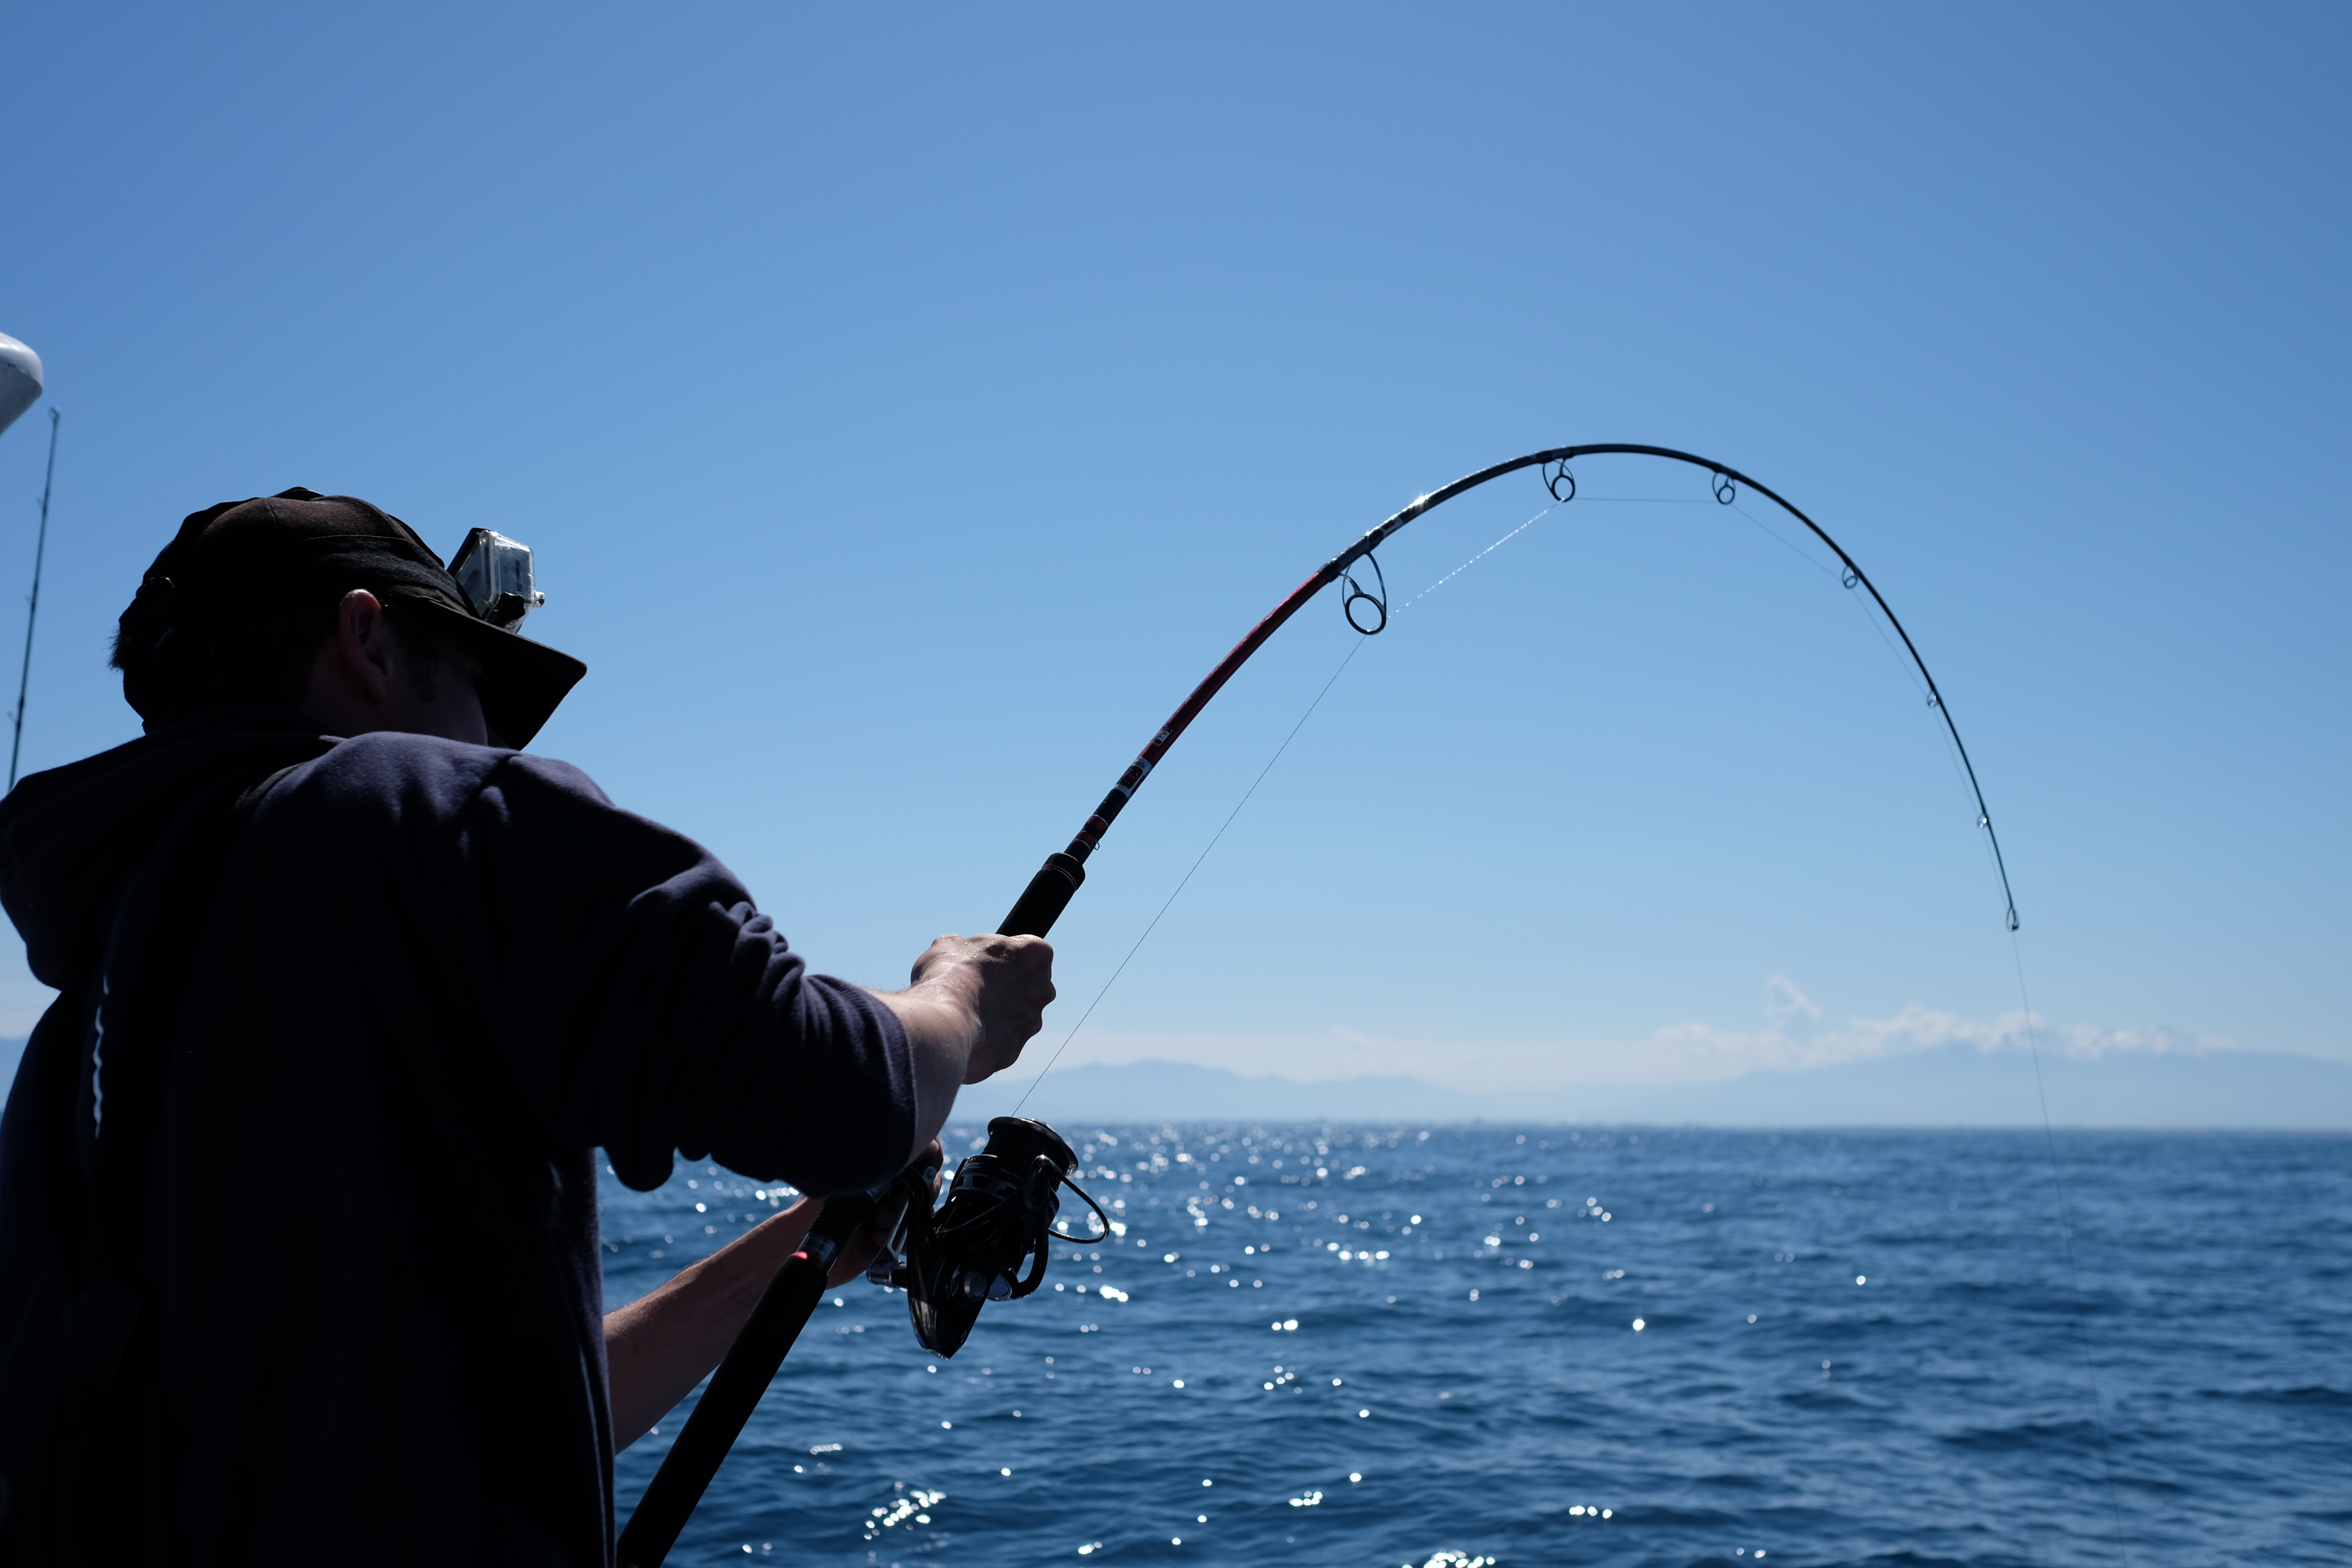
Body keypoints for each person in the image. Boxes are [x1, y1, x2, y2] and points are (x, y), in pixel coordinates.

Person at [0, 488, 1054, 1565]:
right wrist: (960, 1001)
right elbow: (845, 1092)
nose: (494, 740)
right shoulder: (415, 807)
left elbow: (452, 1427)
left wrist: (789, 1257)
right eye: (481, 691)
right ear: (367, 638)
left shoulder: (77, 1043)